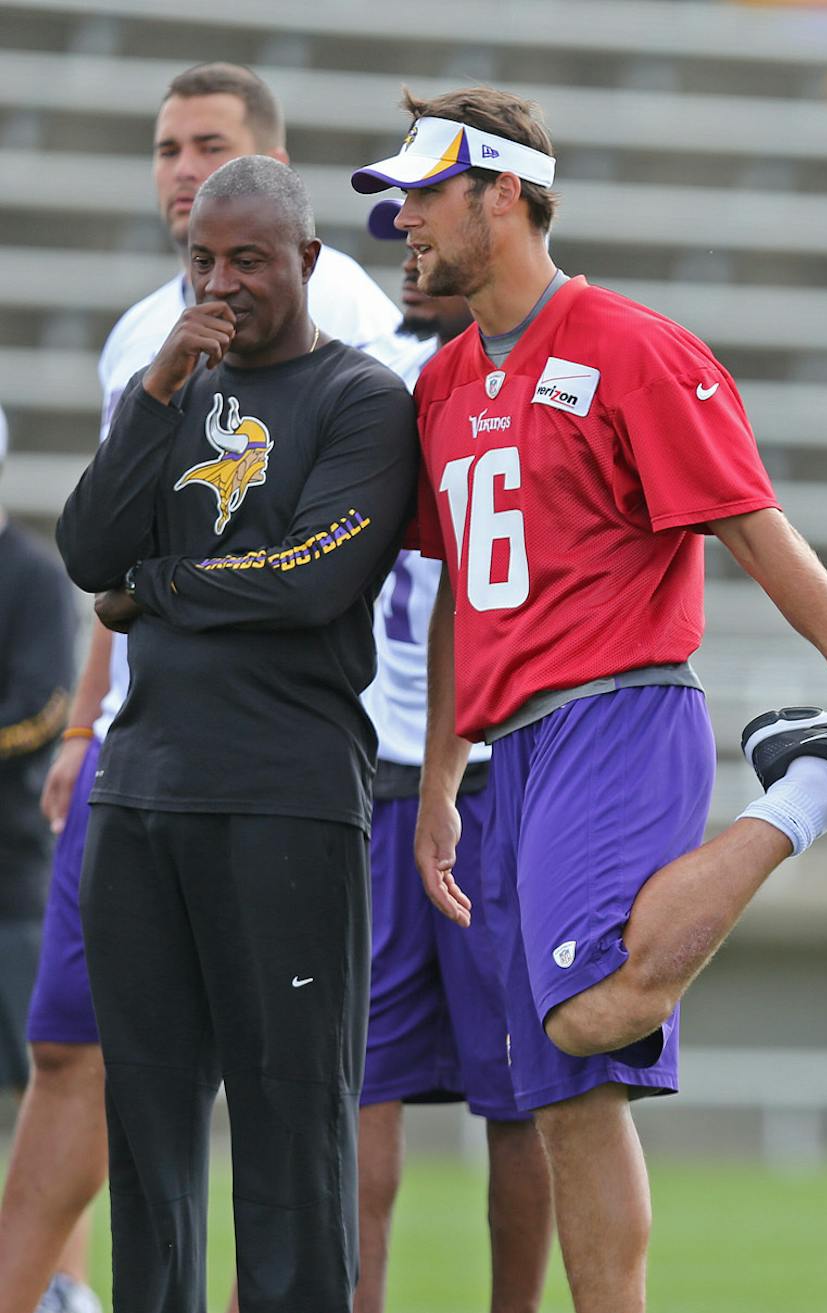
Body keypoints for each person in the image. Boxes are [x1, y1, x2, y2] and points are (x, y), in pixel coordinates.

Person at [348, 88, 827, 1310]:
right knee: (565, 1093)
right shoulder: (442, 383)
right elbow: (459, 588)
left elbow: (753, 529)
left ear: (507, 192)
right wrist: (443, 770)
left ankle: (811, 785)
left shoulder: (632, 345)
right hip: (506, 750)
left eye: (425, 195)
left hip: (616, 710)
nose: (403, 221)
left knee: (590, 1014)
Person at [0, 62, 408, 1313]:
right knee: (151, 1127)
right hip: (143, 794)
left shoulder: (364, 397)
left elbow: (305, 582)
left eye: (250, 262)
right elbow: (83, 549)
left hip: (287, 796)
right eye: (205, 265)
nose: (223, 285)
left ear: (307, 254)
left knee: (294, 1124)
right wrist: (160, 392)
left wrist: (156, 590)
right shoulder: (169, 387)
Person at [350, 199, 554, 1313]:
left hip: (479, 757)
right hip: (410, 759)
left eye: (425, 237)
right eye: (404, 242)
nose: (414, 262)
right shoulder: (431, 377)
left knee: (506, 1088)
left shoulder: (385, 376)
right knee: (485, 1086)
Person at [0, 405, 78, 1124]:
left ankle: (50, 1244)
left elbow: (45, 708)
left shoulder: (31, 578)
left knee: (41, 1084)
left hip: (11, 874)